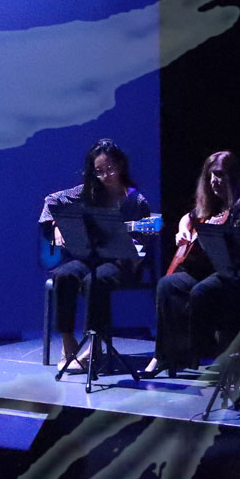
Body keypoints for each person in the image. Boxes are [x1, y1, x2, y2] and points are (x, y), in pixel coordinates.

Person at [150, 151, 240, 375]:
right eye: (210, 176)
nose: (214, 181)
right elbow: (189, 217)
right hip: (217, 269)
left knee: (202, 291)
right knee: (168, 285)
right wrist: (182, 231)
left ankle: (201, 354)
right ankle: (164, 356)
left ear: (234, 176)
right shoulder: (215, 203)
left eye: (220, 175)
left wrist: (213, 238)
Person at [39, 138, 155, 371]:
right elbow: (51, 201)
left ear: (120, 165)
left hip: (123, 262)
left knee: (96, 281)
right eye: (99, 171)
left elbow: (143, 242)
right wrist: (56, 226)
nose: (105, 176)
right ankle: (68, 345)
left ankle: (95, 346)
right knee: (64, 275)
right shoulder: (88, 192)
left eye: (109, 169)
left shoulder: (135, 200)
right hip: (91, 256)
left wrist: (132, 246)